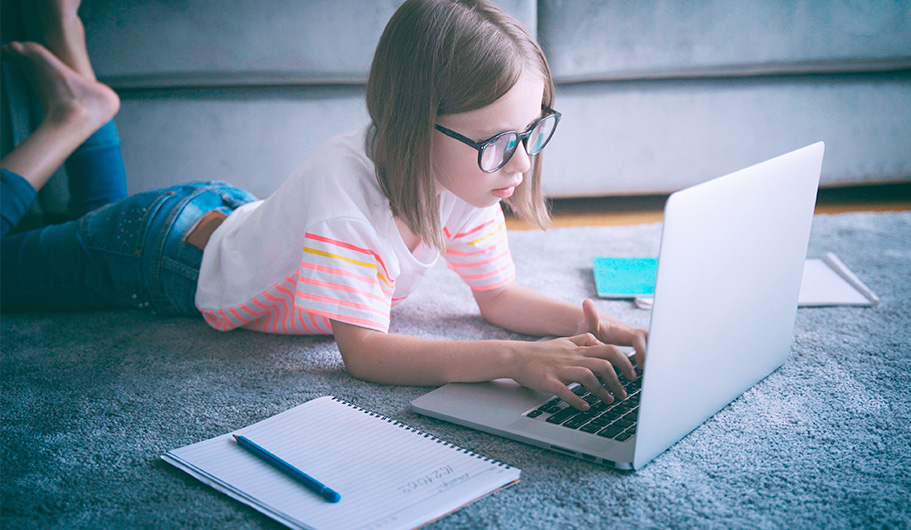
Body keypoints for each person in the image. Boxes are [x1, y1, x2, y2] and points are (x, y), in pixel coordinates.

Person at [1, 0, 647, 411]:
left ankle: (77, 82)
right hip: (158, 253)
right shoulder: (348, 197)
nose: (521, 162)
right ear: (411, 127)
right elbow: (365, 350)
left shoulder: (473, 177)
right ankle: (65, 123)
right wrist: (513, 360)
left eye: (531, 132)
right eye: (499, 142)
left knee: (85, 222)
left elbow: (498, 297)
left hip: (218, 214)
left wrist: (586, 325)